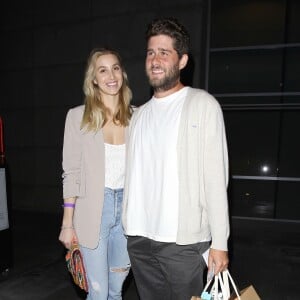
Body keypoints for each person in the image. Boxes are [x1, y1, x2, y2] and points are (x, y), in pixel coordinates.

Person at [122, 17, 230, 299]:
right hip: (139, 237)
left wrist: (220, 242)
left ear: (181, 61)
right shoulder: (138, 115)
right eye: (150, 52)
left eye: (164, 53)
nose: (155, 60)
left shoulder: (202, 105)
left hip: (182, 242)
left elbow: (216, 179)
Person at [59, 48, 133, 300]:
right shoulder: (77, 117)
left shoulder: (138, 117)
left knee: (116, 290)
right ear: (93, 79)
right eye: (102, 70)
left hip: (127, 214)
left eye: (115, 68)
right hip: (93, 211)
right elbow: (71, 172)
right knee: (99, 293)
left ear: (122, 73)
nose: (110, 75)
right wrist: (67, 224)